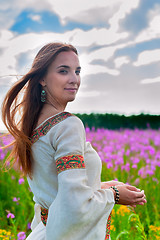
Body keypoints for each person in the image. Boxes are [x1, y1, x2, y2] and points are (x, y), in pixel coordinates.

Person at [1, 42, 147, 240]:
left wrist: (101, 186)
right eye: (63, 71)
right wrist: (114, 195)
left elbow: (57, 190)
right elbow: (73, 204)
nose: (74, 79)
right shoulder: (67, 125)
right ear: (42, 78)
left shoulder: (33, 124)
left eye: (77, 71)